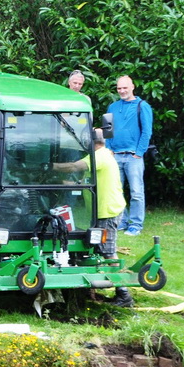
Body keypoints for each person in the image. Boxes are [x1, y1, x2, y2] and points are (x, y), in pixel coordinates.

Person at [53, 128, 132, 306]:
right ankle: (91, 290)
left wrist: (50, 166)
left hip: (108, 211)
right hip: (103, 211)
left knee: (108, 252)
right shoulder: (102, 155)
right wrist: (63, 184)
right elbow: (88, 183)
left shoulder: (100, 157)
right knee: (95, 249)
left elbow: (74, 167)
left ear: (89, 142)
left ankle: (124, 295)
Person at [106, 75, 153, 236]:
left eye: (125, 87)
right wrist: (109, 149)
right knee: (117, 192)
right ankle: (122, 221)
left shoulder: (142, 106)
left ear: (132, 87)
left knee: (136, 192)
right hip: (115, 156)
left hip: (133, 157)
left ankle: (136, 225)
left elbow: (147, 132)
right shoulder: (112, 107)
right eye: (119, 88)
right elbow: (107, 130)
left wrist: (139, 153)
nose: (122, 91)